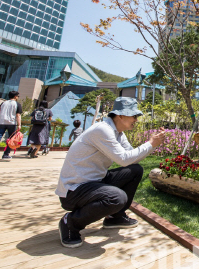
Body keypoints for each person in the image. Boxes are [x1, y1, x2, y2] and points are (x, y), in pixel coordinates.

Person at [55, 97, 166, 248]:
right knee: (116, 198)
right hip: (74, 190)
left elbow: (131, 158)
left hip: (95, 182)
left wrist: (152, 145)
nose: (136, 119)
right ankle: (70, 222)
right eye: (133, 115)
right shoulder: (102, 130)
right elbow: (123, 159)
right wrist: (151, 143)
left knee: (135, 170)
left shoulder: (118, 132)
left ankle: (115, 217)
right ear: (120, 115)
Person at [0, 91, 22, 162]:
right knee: (11, 139)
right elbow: (18, 115)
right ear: (15, 96)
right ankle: (6, 154)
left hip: (1, 123)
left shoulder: (3, 103)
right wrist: (19, 125)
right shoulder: (17, 104)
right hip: (12, 123)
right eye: (17, 96)